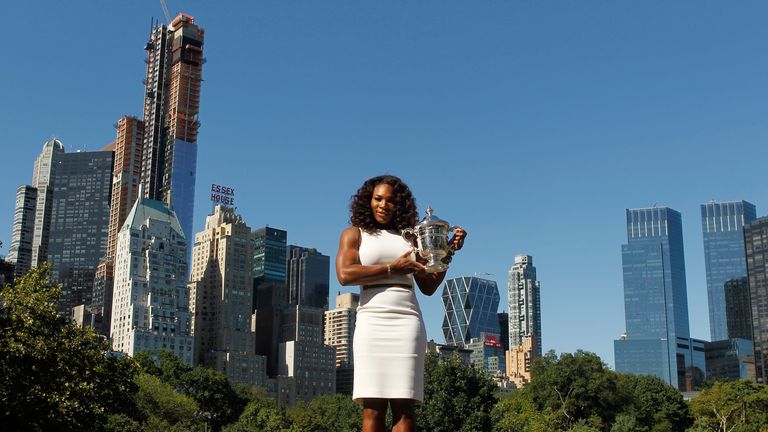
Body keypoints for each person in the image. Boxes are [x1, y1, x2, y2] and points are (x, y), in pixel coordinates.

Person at [335, 175, 467, 432]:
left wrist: (447, 251)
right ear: (368, 201)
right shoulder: (354, 234)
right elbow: (345, 274)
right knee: (373, 408)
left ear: (401, 205)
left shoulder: (412, 238)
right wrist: (391, 267)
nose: (384, 205)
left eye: (391, 201)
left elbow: (428, 286)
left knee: (405, 409)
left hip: (407, 322)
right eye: (378, 199)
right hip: (371, 322)